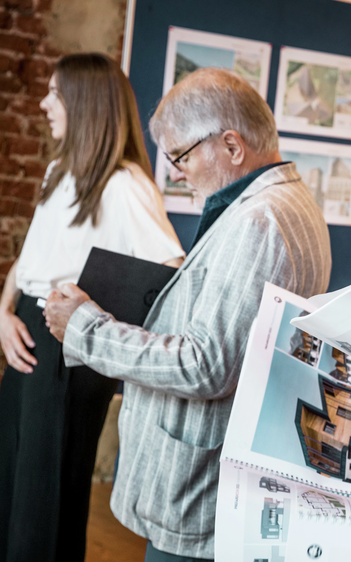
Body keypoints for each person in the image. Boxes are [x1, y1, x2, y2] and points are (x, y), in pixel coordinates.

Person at [42, 68, 332, 561]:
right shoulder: (288, 201)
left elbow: (206, 364)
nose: (175, 171)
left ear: (232, 146)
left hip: (201, 492)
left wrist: (85, 328)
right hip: (213, 481)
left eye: (180, 155)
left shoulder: (258, 221)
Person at [0, 53, 185, 562]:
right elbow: (29, 259)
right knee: (12, 485)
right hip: (29, 335)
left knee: (46, 500)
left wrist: (99, 319)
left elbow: (172, 273)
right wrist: (3, 312)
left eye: (55, 93)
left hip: (72, 349)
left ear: (84, 104)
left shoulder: (126, 185)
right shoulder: (59, 170)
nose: (43, 103)